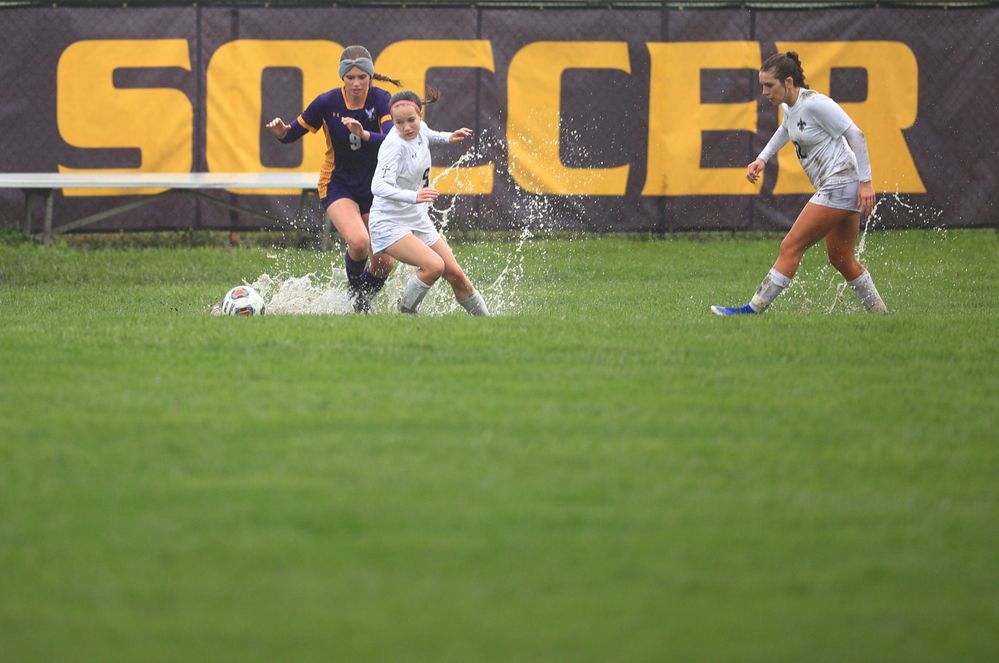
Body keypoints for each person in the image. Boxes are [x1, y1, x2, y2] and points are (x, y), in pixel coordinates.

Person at [711, 51, 888, 316]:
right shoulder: (789, 105)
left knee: (790, 247)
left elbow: (857, 135)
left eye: (769, 85)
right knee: (841, 258)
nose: (764, 91)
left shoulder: (816, 104)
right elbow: (786, 128)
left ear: (789, 82)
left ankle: (752, 309)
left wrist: (866, 183)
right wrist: (762, 158)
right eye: (762, 85)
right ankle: (880, 313)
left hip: (840, 183)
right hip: (842, 186)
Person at [265, 45, 401, 313]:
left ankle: (362, 301)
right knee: (360, 242)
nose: (356, 83)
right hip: (338, 184)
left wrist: (364, 135)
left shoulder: (382, 99)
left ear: (370, 76)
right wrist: (281, 132)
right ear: (342, 78)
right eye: (350, 78)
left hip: (374, 188)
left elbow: (392, 141)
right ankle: (355, 299)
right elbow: (291, 133)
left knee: (385, 261)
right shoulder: (327, 103)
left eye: (362, 77)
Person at [368, 89, 489, 316]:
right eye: (398, 123)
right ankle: (405, 313)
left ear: (420, 114)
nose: (406, 128)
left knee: (456, 275)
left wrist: (448, 136)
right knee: (434, 266)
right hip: (389, 223)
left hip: (416, 218)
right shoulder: (394, 146)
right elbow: (377, 186)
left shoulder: (419, 129)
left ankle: (490, 324)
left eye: (411, 120)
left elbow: (427, 133)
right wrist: (413, 196)